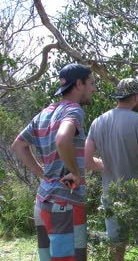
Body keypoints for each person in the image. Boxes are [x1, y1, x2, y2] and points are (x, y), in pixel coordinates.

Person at [11, 63, 97, 261]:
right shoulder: (73, 111)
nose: (93, 88)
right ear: (79, 84)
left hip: (43, 203)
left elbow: (19, 145)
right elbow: (62, 138)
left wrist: (43, 175)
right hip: (65, 204)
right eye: (91, 83)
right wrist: (75, 173)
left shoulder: (45, 113)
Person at [84, 78, 138, 261]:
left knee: (116, 245)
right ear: (136, 97)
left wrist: (103, 165)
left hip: (111, 193)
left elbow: (85, 160)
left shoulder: (98, 121)